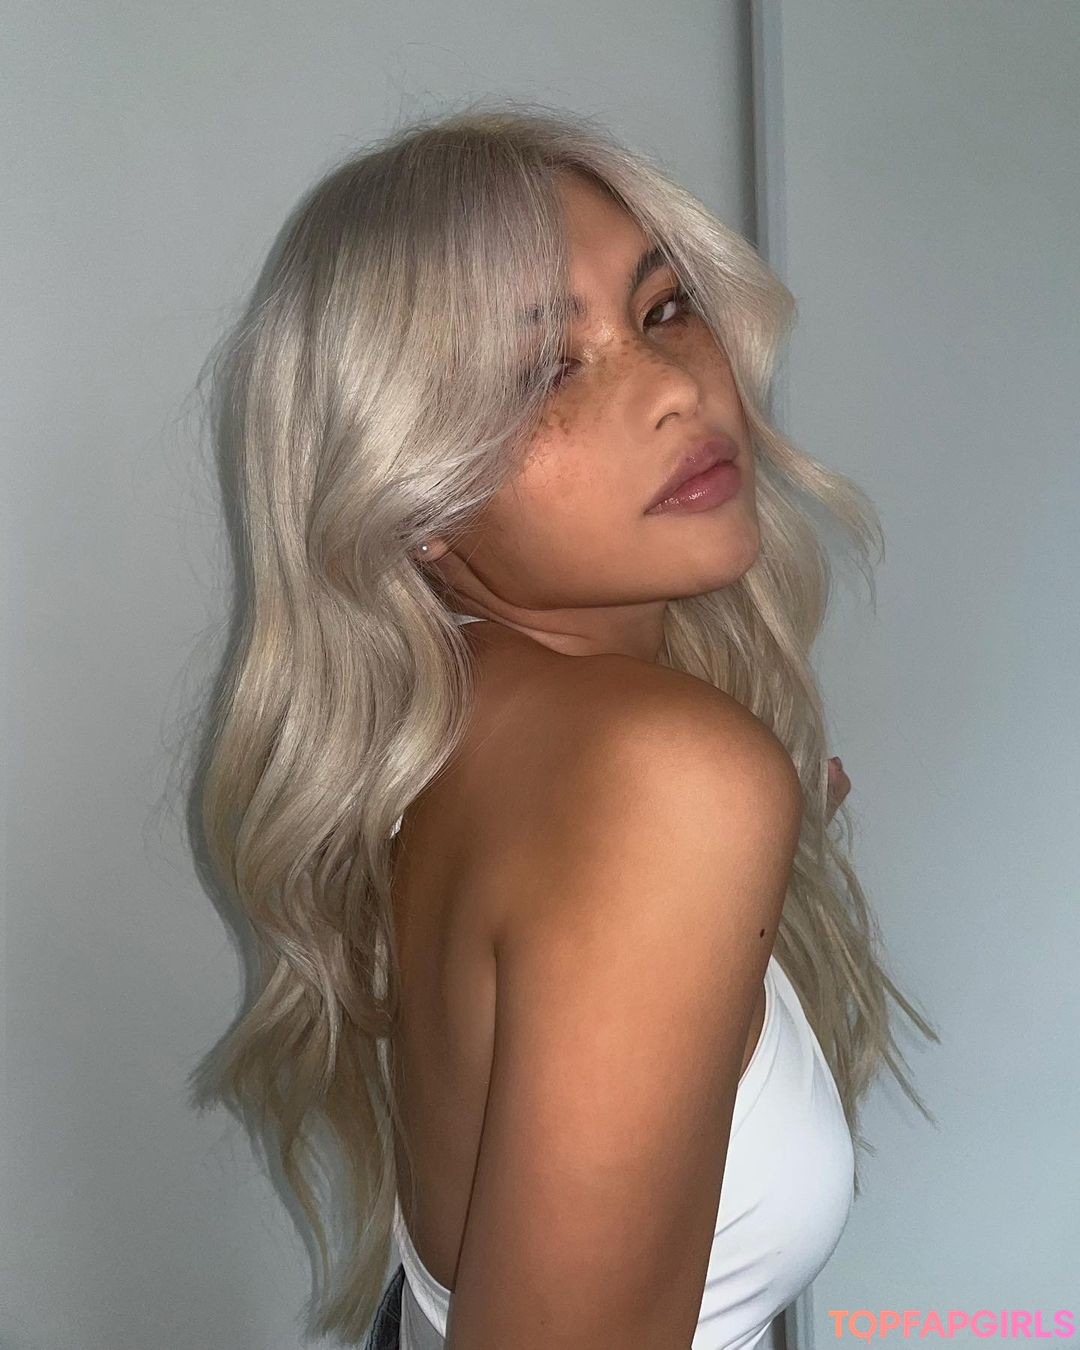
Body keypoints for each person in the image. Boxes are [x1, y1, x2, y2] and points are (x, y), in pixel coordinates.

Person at [186, 102, 939, 1350]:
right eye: (544, 371)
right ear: (413, 493)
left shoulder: (453, 714)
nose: (675, 388)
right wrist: (705, 819)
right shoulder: (664, 779)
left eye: (664, 309)